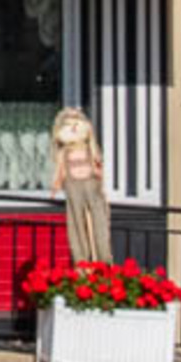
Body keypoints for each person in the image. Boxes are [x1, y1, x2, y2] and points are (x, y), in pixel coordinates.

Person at [50, 106, 112, 264]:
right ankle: (82, 261)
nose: (73, 126)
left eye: (76, 122)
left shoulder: (90, 149)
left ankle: (103, 258)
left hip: (91, 183)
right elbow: (60, 169)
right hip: (73, 184)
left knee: (98, 220)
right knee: (76, 220)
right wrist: (56, 184)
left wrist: (100, 177)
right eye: (69, 123)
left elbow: (97, 164)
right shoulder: (64, 152)